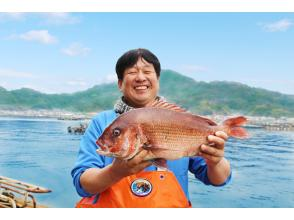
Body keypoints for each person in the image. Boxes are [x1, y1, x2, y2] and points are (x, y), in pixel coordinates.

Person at [71, 48, 231, 208]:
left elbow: (218, 180)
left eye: (147, 71)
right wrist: (115, 171)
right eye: (132, 72)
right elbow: (82, 184)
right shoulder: (101, 122)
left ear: (157, 80)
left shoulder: (183, 121)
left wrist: (215, 162)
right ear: (120, 83)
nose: (141, 77)